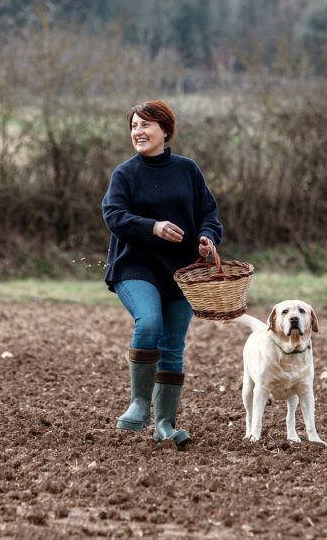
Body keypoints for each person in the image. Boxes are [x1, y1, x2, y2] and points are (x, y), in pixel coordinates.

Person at [102, 100, 223, 448]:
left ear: (165, 130)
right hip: (135, 266)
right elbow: (113, 215)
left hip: (182, 273)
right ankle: (140, 403)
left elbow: (209, 215)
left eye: (146, 125)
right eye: (134, 126)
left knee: (173, 347)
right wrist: (152, 227)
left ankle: (165, 424)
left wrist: (207, 239)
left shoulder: (188, 170)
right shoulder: (125, 174)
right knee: (149, 322)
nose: (138, 132)